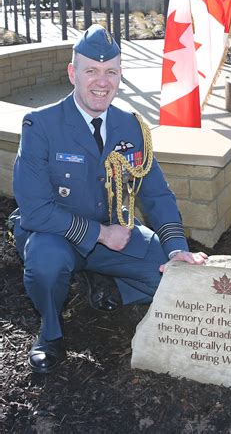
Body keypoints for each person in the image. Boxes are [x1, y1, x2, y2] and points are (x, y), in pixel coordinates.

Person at [11, 25, 207, 374]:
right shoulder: (40, 125)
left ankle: (105, 283)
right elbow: (36, 211)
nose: (102, 82)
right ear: (73, 73)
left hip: (116, 238)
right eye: (91, 71)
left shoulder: (131, 127)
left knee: (168, 275)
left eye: (111, 72)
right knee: (46, 263)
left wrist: (177, 247)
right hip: (58, 235)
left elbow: (156, 192)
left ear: (120, 75)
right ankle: (50, 332)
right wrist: (101, 234)